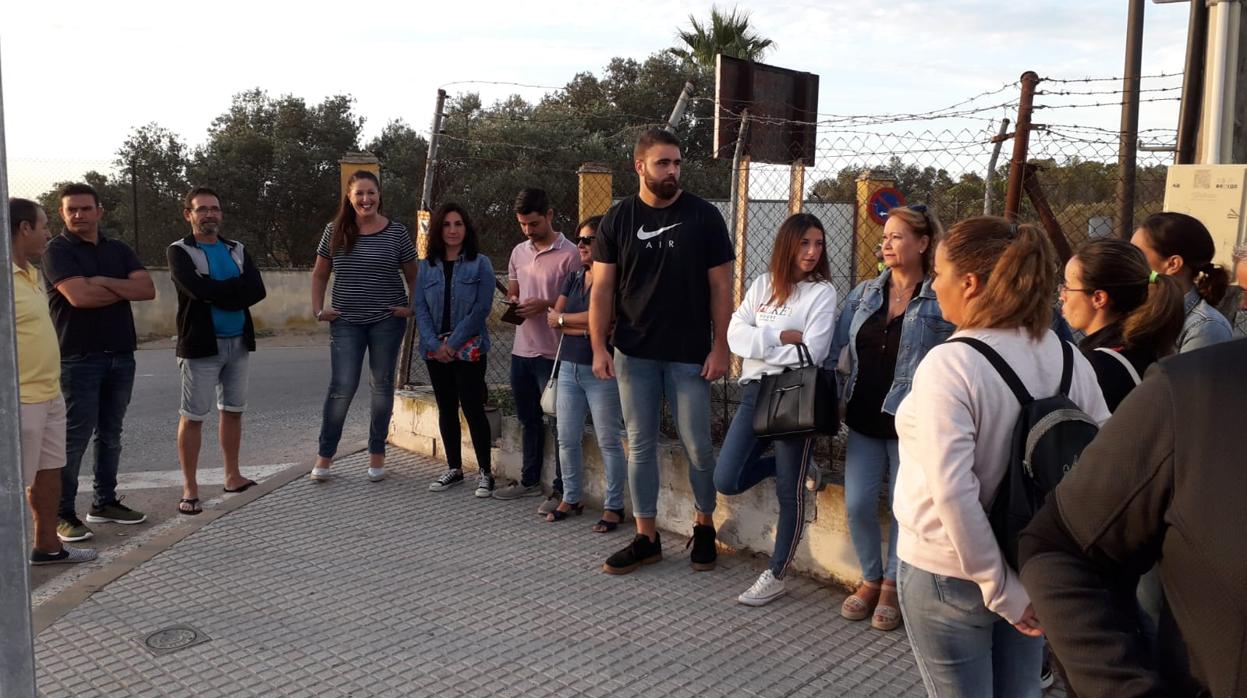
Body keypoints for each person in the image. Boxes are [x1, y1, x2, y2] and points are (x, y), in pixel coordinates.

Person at [892, 217, 1110, 697]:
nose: (934, 285)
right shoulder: (1066, 354)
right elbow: (1105, 461)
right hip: (1034, 561)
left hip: (950, 572)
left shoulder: (951, 364)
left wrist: (999, 589)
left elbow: (953, 491)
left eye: (940, 273)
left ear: (969, 283)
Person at [1018, 338, 1247, 697]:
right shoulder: (1196, 390)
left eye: (1069, 287)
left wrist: (994, 586)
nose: (1063, 297)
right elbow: (1062, 544)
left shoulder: (1084, 359)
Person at [590, 127, 734, 575]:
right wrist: (599, 347)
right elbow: (602, 290)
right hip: (634, 352)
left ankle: (704, 526)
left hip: (690, 354)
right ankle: (646, 536)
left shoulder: (705, 216)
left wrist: (721, 346)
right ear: (640, 166)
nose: (672, 171)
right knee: (640, 446)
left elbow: (722, 288)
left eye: (676, 163)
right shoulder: (617, 219)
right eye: (663, 163)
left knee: (698, 447)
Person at [828, 204, 952, 631]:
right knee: (859, 503)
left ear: (922, 244)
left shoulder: (941, 299)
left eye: (897, 236)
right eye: (885, 235)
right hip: (862, 416)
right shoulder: (864, 293)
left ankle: (893, 587)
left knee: (905, 510)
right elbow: (834, 350)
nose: (886, 242)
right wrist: (835, 394)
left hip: (912, 425)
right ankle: (869, 576)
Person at [714, 212, 837, 605]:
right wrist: (780, 335)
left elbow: (813, 351)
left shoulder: (823, 293)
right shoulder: (763, 285)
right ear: (788, 245)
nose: (813, 251)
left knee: (789, 491)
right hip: (754, 390)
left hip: (794, 393)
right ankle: (803, 468)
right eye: (804, 243)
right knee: (727, 478)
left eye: (818, 244)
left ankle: (777, 572)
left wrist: (760, 342)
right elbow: (735, 335)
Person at [43, 183, 156, 542]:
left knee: (110, 434)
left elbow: (146, 290)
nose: (79, 215)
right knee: (74, 438)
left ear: (99, 211)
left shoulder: (118, 249)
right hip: (78, 357)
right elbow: (80, 298)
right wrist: (120, 287)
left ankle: (105, 503)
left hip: (121, 355)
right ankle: (63, 513)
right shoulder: (56, 251)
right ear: (62, 213)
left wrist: (104, 280)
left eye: (85, 208)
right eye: (71, 209)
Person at [309, 170, 417, 482]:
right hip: (345, 322)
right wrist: (319, 310)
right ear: (349, 196)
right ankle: (325, 457)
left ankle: (377, 455)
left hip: (387, 321)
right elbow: (319, 274)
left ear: (379, 195)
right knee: (342, 387)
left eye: (371, 193)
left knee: (381, 387)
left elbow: (414, 274)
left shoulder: (396, 233)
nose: (366, 199)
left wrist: (411, 307)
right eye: (360, 194)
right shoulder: (335, 231)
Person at [167, 187, 268, 515]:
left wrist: (216, 293)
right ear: (189, 214)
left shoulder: (237, 249)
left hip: (238, 342)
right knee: (193, 417)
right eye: (202, 209)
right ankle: (190, 487)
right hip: (200, 346)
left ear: (221, 214)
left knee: (233, 411)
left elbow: (257, 290)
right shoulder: (179, 251)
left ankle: (232, 476)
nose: (209, 214)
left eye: (215, 209)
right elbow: (194, 289)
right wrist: (232, 292)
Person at [10, 198, 96, 565]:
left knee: (48, 475)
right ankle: (9, 570)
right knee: (12, 486)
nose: (48, 232)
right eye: (44, 225)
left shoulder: (31, 272)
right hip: (19, 401)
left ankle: (48, 547)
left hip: (49, 394)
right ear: (24, 228)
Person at [493, 188, 579, 508]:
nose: (528, 231)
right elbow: (515, 292)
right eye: (523, 225)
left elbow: (576, 302)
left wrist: (545, 304)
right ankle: (530, 481)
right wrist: (513, 303)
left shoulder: (571, 254)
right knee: (528, 419)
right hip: (521, 351)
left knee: (559, 424)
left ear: (550, 215)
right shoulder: (518, 252)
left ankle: (561, 489)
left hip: (555, 353)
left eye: (534, 223)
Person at [545, 216, 628, 531]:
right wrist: (578, 322)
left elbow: (606, 320)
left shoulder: (614, 279)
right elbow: (554, 317)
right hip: (569, 366)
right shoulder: (574, 276)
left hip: (602, 369)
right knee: (566, 438)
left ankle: (614, 506)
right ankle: (572, 496)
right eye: (579, 240)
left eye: (588, 240)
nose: (580, 245)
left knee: (609, 440)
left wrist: (570, 321)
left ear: (604, 243)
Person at [416, 203, 497, 498]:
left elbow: (481, 309)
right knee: (446, 407)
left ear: (466, 228)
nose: (452, 230)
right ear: (438, 229)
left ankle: (486, 473)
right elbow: (421, 309)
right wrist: (436, 345)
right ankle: (454, 468)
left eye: (458, 224)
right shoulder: (426, 266)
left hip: (468, 349)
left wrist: (453, 343)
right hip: (435, 351)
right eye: (447, 224)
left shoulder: (481, 264)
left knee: (472, 408)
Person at [1059, 237, 1184, 412]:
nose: (1062, 295)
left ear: (1098, 298)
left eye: (1067, 286)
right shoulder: (1150, 345)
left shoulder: (1097, 366)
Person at [1130, 212, 1233, 353]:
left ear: (1173, 264)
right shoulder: (1137, 308)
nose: (1129, 260)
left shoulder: (1205, 327)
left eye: (1137, 254)